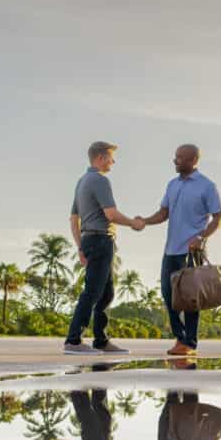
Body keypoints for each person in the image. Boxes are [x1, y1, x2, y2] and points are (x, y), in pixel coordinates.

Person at [134, 142, 221, 359]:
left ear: (193, 160)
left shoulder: (207, 186)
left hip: (192, 251)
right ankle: (180, 337)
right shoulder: (172, 185)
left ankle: (189, 342)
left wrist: (201, 237)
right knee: (168, 294)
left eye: (180, 157)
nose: (175, 161)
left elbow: (218, 218)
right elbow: (163, 213)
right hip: (170, 249)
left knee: (191, 298)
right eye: (175, 157)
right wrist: (145, 221)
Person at [65, 140, 144, 354]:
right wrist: (134, 224)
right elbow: (111, 214)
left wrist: (81, 247)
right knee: (92, 291)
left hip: (91, 240)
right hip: (100, 240)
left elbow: (74, 220)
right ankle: (73, 341)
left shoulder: (82, 182)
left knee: (107, 293)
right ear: (100, 158)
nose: (113, 161)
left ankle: (101, 340)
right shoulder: (99, 180)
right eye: (110, 157)